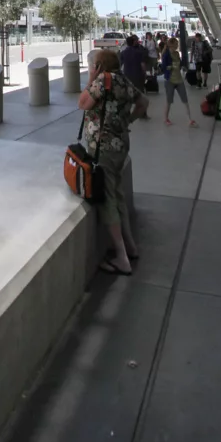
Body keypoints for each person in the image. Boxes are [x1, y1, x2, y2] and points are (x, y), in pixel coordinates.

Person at [79, 48, 148, 276]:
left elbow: (83, 104)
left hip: (103, 148)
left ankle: (121, 257)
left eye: (94, 64)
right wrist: (126, 119)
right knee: (117, 195)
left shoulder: (102, 81)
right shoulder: (122, 80)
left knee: (108, 199)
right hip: (120, 145)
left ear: (100, 65)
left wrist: (91, 78)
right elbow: (143, 102)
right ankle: (131, 246)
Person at [161, 36, 197, 127]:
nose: (177, 47)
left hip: (179, 79)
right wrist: (171, 67)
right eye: (176, 45)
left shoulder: (177, 54)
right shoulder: (166, 55)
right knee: (169, 101)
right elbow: (163, 68)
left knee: (185, 99)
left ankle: (190, 119)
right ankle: (166, 118)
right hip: (169, 80)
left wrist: (183, 67)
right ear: (171, 46)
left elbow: (180, 63)